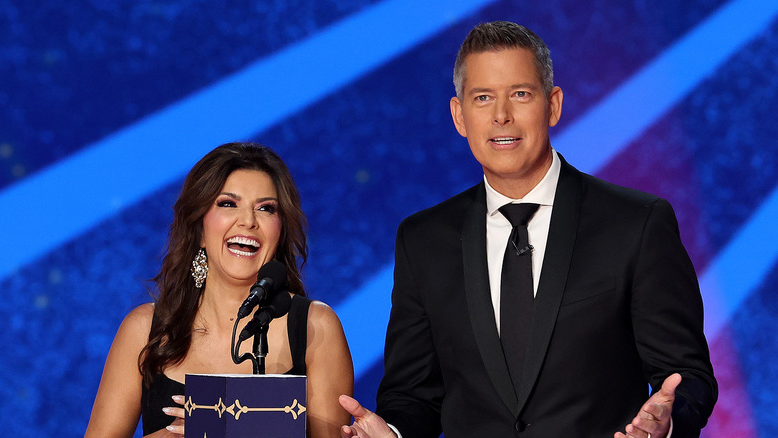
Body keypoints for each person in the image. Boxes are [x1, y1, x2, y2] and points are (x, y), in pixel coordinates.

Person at [339, 21, 717, 438]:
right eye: (483, 98)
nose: (501, 115)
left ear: (552, 105)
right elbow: (413, 394)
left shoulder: (636, 224)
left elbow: (687, 375)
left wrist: (665, 424)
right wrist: (392, 431)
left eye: (520, 94)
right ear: (459, 115)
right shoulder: (423, 240)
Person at [86, 142, 354, 437]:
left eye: (266, 208)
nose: (248, 221)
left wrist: (228, 429)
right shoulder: (144, 330)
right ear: (200, 229)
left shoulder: (315, 327)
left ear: (280, 231)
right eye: (228, 204)